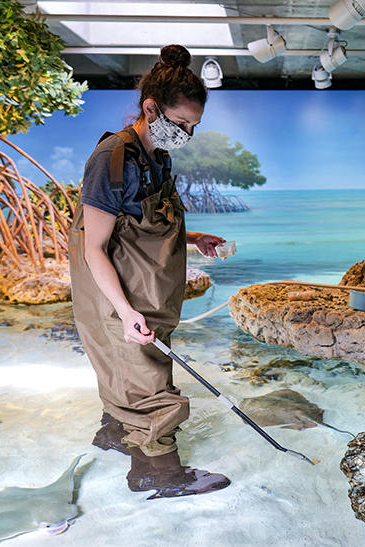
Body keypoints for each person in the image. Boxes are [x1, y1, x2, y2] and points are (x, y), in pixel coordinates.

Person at [69, 44, 230, 499]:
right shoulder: (111, 159)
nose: (188, 133)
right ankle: (157, 474)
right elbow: (94, 248)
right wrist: (123, 311)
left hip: (148, 288)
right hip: (119, 290)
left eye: (193, 126)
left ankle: (115, 435)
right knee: (149, 382)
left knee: (133, 372)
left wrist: (193, 237)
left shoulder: (156, 155)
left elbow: (139, 221)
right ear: (150, 107)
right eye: (181, 123)